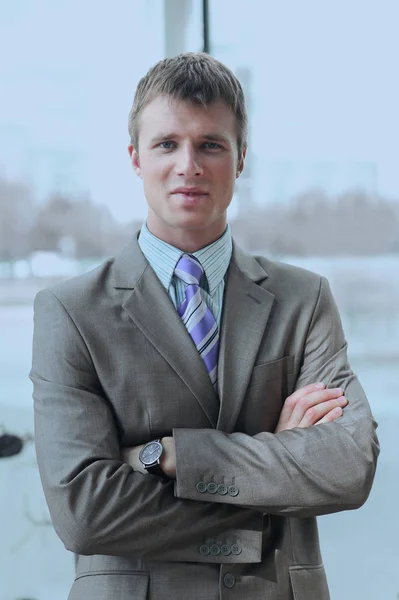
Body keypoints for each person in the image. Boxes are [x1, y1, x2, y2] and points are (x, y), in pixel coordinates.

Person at [30, 52, 379, 600]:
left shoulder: (303, 299)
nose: (188, 164)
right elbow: (85, 512)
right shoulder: (70, 311)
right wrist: (276, 459)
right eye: (166, 144)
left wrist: (168, 456)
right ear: (135, 158)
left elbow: (345, 466)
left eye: (210, 144)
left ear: (240, 158)